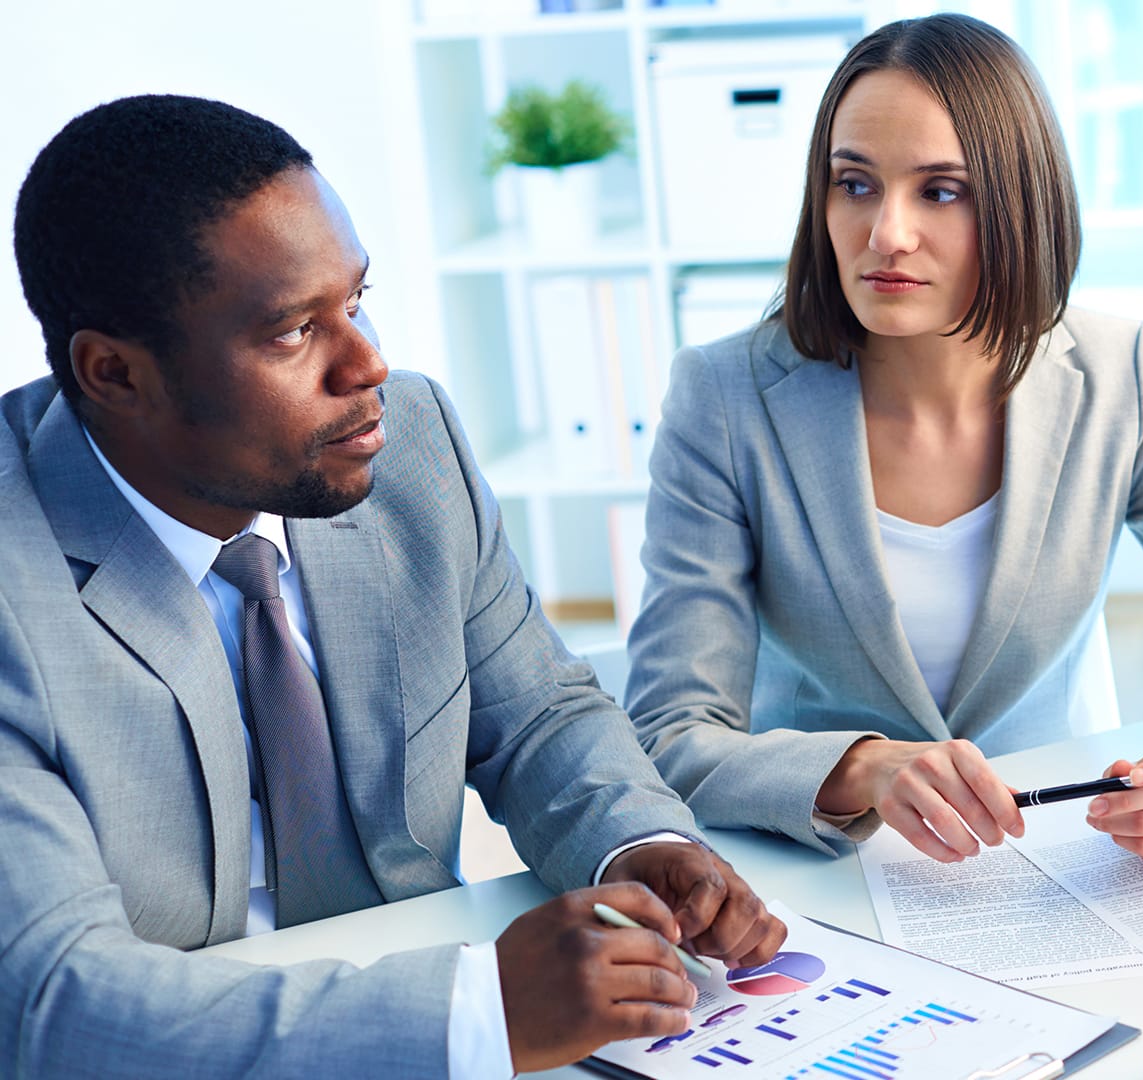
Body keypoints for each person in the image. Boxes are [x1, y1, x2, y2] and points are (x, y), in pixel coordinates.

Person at [0, 95, 785, 1077]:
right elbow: (52, 1002)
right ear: (113, 373)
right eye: (293, 332)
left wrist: (637, 845)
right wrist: (477, 1017)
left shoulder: (407, 440)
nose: (369, 364)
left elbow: (537, 714)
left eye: (357, 302)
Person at [625, 13, 1143, 865]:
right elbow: (671, 731)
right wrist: (860, 768)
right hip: (825, 868)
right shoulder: (724, 396)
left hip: (1068, 853)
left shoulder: (1122, 371)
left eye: (941, 191)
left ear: (1017, 204)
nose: (885, 233)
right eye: (854, 183)